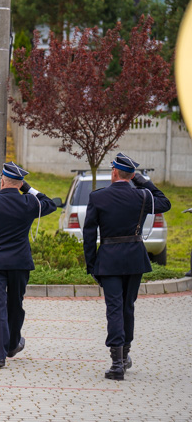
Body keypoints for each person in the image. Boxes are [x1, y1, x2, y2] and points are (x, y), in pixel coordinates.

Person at [83, 153, 171, 380]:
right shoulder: (142, 195)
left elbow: (89, 234)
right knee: (127, 307)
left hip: (109, 259)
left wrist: (91, 264)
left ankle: (116, 364)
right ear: (131, 175)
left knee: (114, 308)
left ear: (113, 172)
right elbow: (165, 203)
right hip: (134, 259)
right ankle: (124, 356)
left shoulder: (98, 197)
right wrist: (142, 181)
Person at [0, 162, 57, 368]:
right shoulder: (28, 202)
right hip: (20, 264)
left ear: (1, 182)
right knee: (15, 305)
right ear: (19, 184)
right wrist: (27, 188)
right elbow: (50, 203)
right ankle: (11, 346)